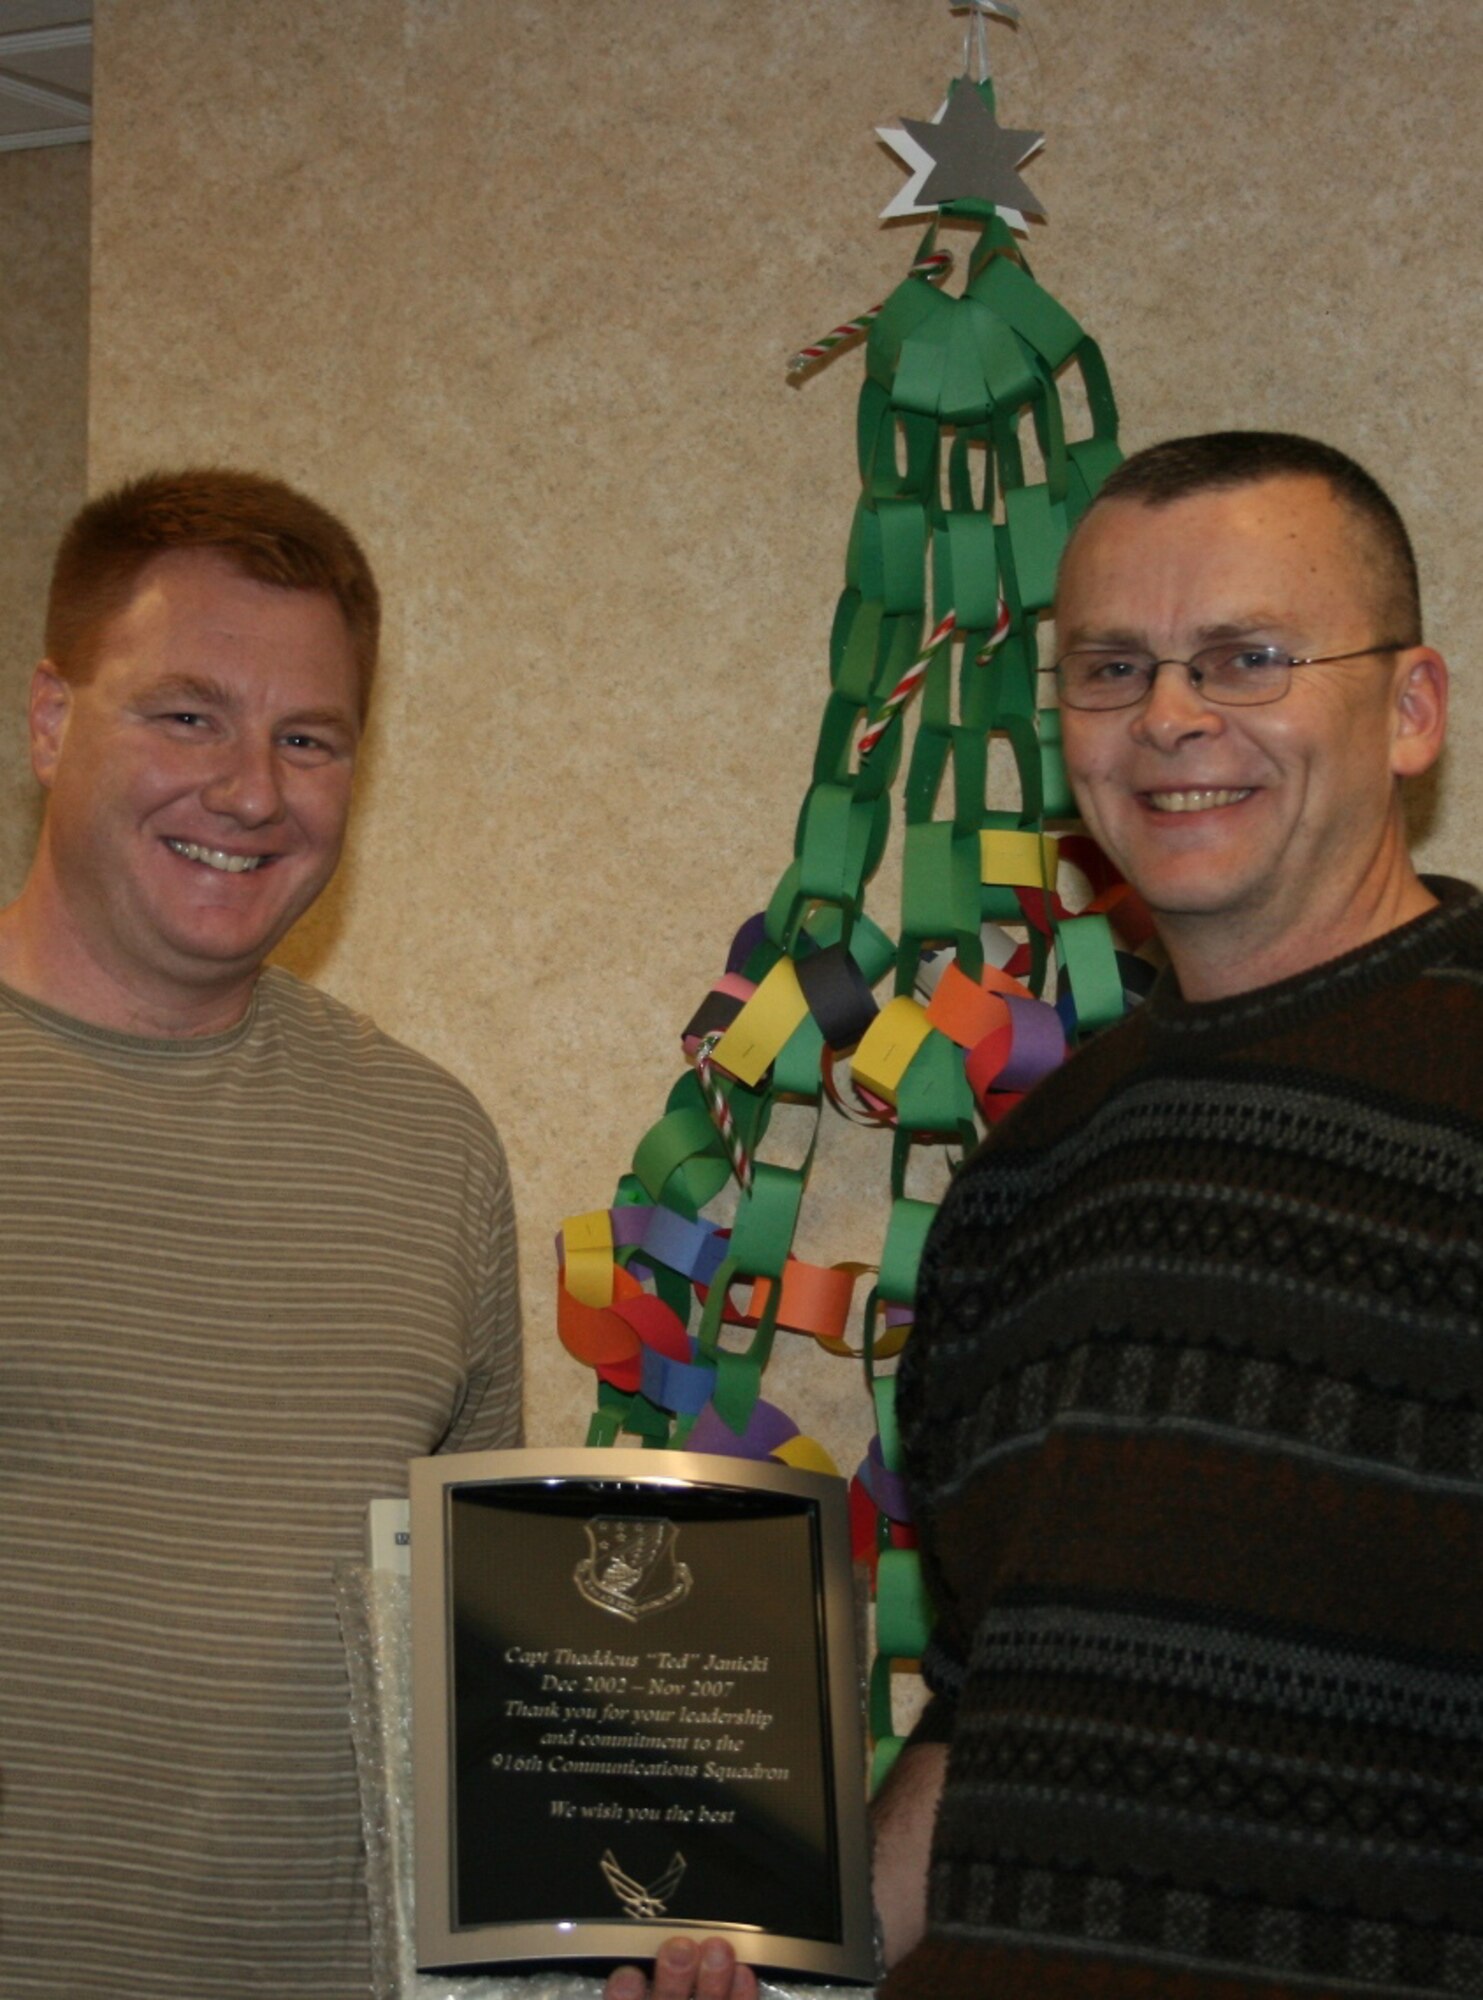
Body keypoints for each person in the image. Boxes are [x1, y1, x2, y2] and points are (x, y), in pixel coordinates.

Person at [607, 430, 1482, 1997]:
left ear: (1411, 708)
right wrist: (782, 1956)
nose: (1169, 717)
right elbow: (995, 1712)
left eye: (1247, 657)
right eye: (1111, 667)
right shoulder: (1027, 1174)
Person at [0, 470, 522, 1999]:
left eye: (310, 739)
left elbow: (487, 1666)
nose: (249, 792)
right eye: (188, 715)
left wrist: (650, 1895)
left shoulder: (434, 1148)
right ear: (50, 721)